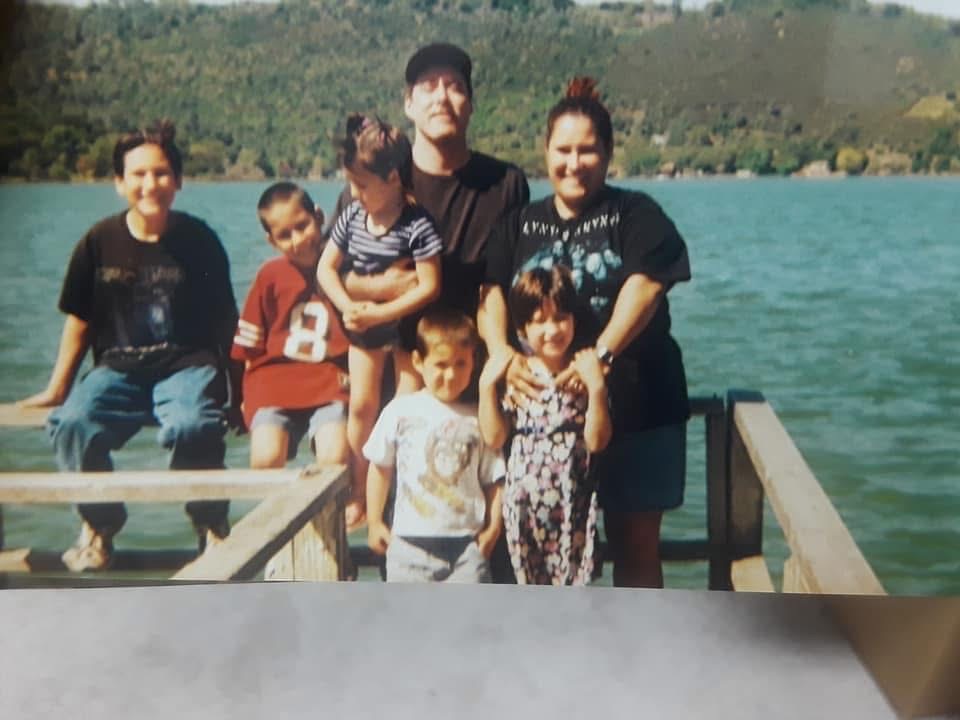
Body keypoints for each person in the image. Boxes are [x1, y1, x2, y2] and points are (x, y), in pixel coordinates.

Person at [479, 77, 692, 588]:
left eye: (588, 150)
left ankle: (637, 639)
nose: (574, 163)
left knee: (636, 547)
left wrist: (601, 354)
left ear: (609, 154)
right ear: (545, 152)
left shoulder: (636, 214)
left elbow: (646, 287)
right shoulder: (517, 224)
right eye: (563, 150)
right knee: (545, 551)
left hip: (639, 409)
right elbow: (490, 293)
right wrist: (503, 354)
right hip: (545, 429)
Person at [329, 42, 529, 583]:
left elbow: (502, 283)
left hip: (472, 381)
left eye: (456, 86)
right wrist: (384, 285)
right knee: (403, 553)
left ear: (471, 103)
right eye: (429, 86)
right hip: (401, 388)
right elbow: (337, 273)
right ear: (408, 103)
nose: (443, 96)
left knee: (485, 550)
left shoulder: (505, 184)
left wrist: (504, 356)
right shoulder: (378, 174)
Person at [18, 120, 240, 572]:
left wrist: (239, 391)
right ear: (119, 183)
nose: (150, 184)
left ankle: (209, 523)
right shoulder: (98, 242)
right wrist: (58, 389)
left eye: (160, 173)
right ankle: (99, 526)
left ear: (178, 181)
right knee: (73, 424)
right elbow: (79, 321)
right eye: (137, 174)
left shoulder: (199, 241)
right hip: (118, 370)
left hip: (187, 366)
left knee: (193, 424)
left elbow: (226, 322)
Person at [317, 114, 443, 527]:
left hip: (405, 327)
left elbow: (430, 286)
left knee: (405, 411)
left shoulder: (417, 223)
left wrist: (382, 312)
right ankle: (359, 490)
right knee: (362, 407)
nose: (354, 194)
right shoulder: (353, 217)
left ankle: (403, 492)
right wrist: (348, 306)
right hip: (364, 328)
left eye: (361, 185)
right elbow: (325, 269)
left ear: (392, 178)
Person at [231, 182, 355, 524]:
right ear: (272, 241)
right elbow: (249, 346)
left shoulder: (343, 268)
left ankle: (326, 533)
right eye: (285, 235)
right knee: (266, 458)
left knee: (334, 455)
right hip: (274, 382)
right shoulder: (269, 276)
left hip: (327, 381)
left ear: (319, 217)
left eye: (302, 226)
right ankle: (273, 530)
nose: (298, 240)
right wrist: (245, 396)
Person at [478, 265, 611, 585]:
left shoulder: (585, 370)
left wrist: (597, 389)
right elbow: (495, 437)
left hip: (573, 505)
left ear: (574, 319)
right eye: (539, 321)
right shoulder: (518, 374)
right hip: (523, 506)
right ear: (522, 329)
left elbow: (597, 441)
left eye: (561, 318)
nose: (552, 330)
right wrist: (486, 387)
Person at [364, 308, 504, 583]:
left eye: (460, 364)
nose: (450, 375)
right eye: (441, 365)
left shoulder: (479, 417)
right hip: (408, 546)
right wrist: (374, 522)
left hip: (466, 547)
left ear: (473, 362)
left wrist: (493, 528)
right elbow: (380, 467)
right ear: (418, 361)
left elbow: (494, 479)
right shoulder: (400, 411)